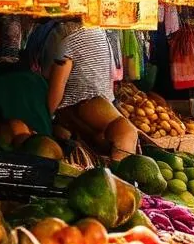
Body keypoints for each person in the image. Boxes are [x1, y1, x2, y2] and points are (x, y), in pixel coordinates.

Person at [41, 20, 137, 161]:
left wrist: (45, 119)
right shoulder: (101, 33)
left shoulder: (66, 38)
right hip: (102, 107)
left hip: (76, 112)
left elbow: (57, 87)